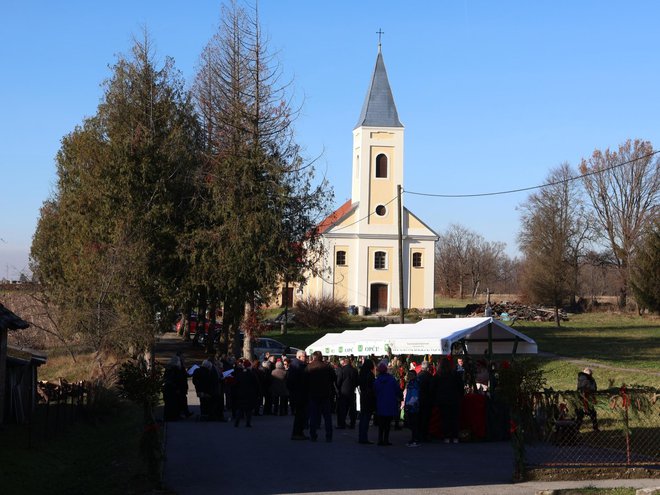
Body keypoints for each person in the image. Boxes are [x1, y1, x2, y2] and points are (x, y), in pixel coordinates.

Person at [305, 351, 335, 442]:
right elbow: (333, 378)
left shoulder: (309, 367)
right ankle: (329, 435)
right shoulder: (327, 367)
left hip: (313, 394)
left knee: (313, 415)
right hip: (325, 394)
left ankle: (313, 434)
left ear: (313, 357)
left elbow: (304, 381)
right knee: (327, 417)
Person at [434, 357, 463, 443]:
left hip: (443, 400)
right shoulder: (455, 374)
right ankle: (455, 436)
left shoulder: (438, 375)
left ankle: (446, 436)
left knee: (444, 418)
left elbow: (433, 388)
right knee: (455, 418)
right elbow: (461, 387)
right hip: (454, 399)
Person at [374, 361, 400, 446]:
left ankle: (380, 439)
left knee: (381, 423)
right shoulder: (391, 379)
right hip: (390, 403)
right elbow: (397, 389)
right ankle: (386, 439)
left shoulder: (377, 380)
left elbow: (374, 391)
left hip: (380, 403)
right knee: (387, 423)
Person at [287, 350, 309, 440]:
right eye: (305, 356)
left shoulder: (296, 365)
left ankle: (299, 432)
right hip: (299, 393)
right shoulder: (298, 365)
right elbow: (292, 381)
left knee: (301, 414)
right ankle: (297, 433)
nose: (306, 358)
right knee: (300, 414)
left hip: (298, 393)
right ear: (300, 357)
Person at [234, 358, 259, 427]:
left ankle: (237, 422)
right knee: (248, 409)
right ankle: (248, 423)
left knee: (240, 408)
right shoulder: (251, 374)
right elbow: (256, 384)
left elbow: (236, 384)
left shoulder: (240, 374)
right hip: (249, 394)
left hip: (241, 393)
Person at [335, 356, 359, 429]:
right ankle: (352, 424)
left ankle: (342, 424)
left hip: (343, 392)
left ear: (344, 362)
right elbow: (357, 382)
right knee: (352, 409)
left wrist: (338, 388)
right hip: (351, 391)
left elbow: (338, 381)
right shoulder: (354, 370)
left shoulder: (342, 370)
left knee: (343, 409)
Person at [358, 358, 376, 444]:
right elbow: (373, 386)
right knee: (366, 417)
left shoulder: (362, 373)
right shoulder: (370, 374)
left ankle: (361, 436)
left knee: (363, 417)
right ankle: (364, 438)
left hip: (363, 396)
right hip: (369, 397)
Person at [417, 360, 434, 442]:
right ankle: (424, 435)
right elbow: (432, 389)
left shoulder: (418, 375)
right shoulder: (429, 376)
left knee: (420, 417)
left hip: (419, 399)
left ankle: (419, 434)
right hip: (427, 399)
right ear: (427, 368)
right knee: (426, 418)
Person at [404, 369, 421, 447]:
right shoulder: (411, 383)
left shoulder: (414, 383)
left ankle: (415, 439)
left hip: (413, 406)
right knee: (412, 423)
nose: (408, 376)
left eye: (410, 375)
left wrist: (409, 404)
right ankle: (413, 438)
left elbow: (415, 395)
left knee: (414, 424)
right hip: (410, 405)